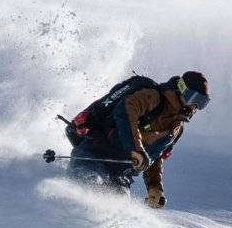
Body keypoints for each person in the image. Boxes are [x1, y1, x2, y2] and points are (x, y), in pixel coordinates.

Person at [64, 72, 210, 208]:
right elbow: (125, 111)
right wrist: (136, 149)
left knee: (116, 207)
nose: (194, 106)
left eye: (202, 102)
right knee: (85, 189)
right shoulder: (152, 97)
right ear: (181, 89)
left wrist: (154, 187)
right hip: (93, 156)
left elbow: (156, 157)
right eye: (193, 98)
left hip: (120, 176)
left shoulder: (176, 130)